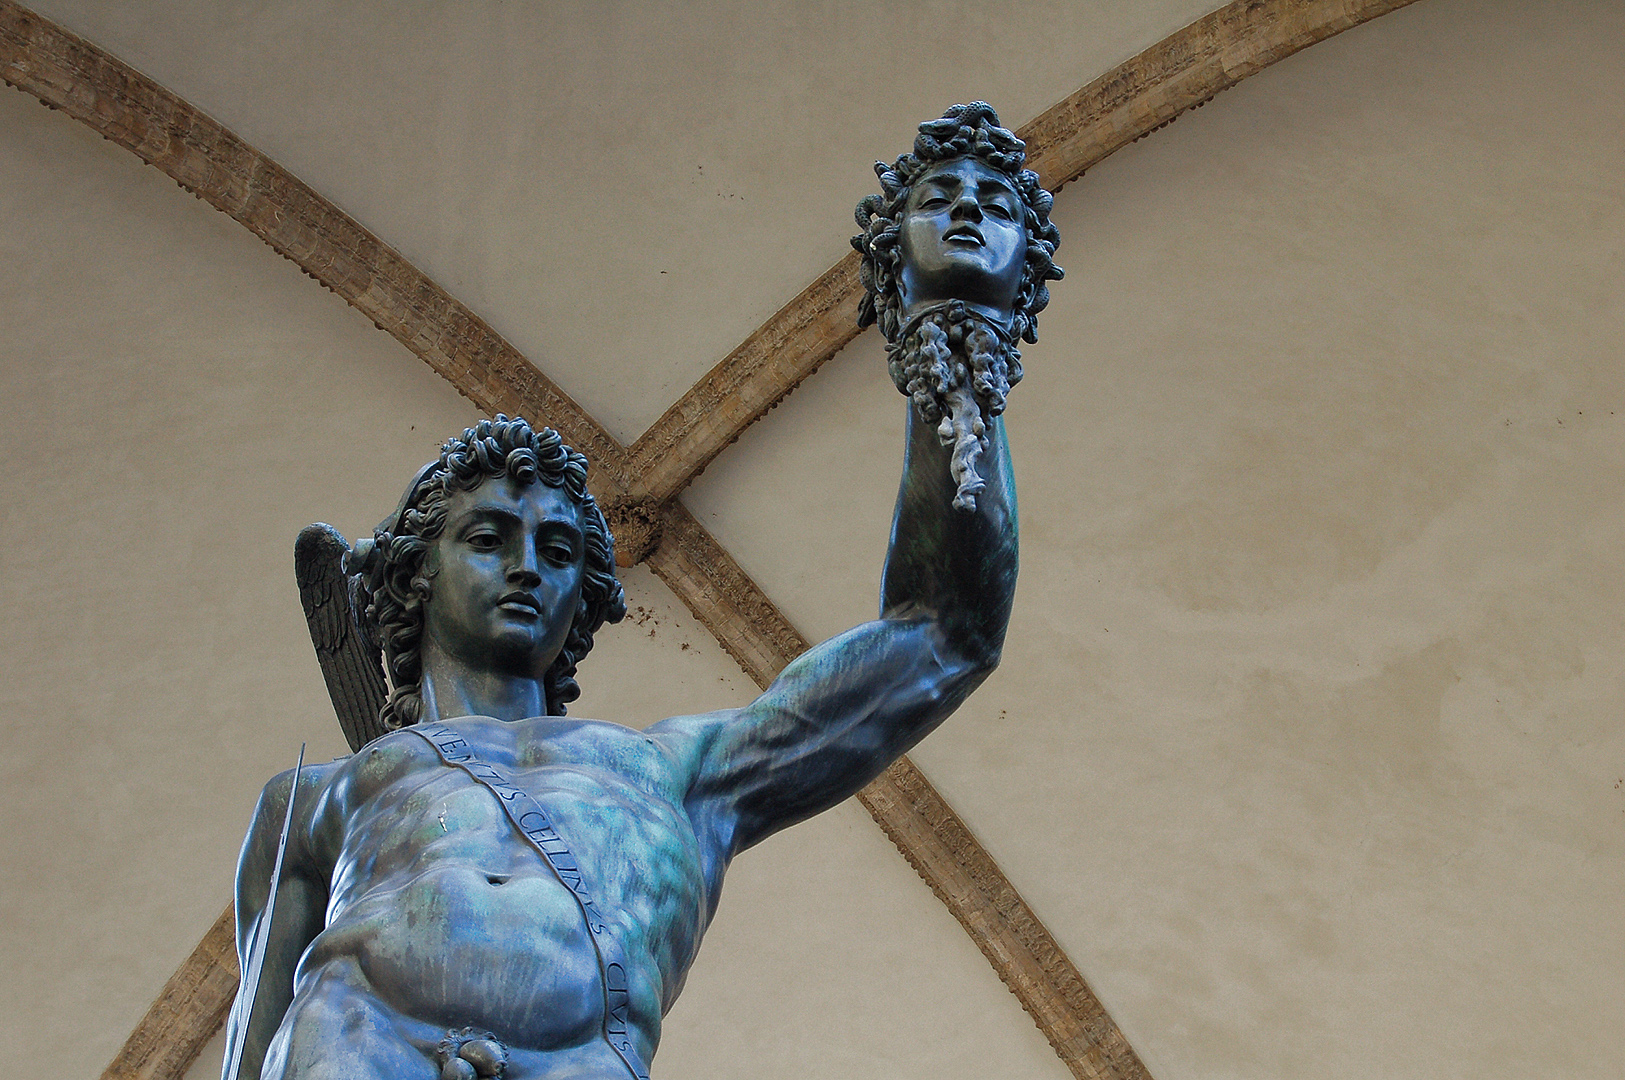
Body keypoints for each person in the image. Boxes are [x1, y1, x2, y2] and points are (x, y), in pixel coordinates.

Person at [227, 102, 1057, 1080]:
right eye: (488, 537)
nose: (527, 563)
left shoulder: (679, 773)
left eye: (556, 547)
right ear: (414, 575)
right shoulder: (319, 799)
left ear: (588, 593)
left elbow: (943, 634)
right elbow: (250, 1033)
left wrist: (952, 347)